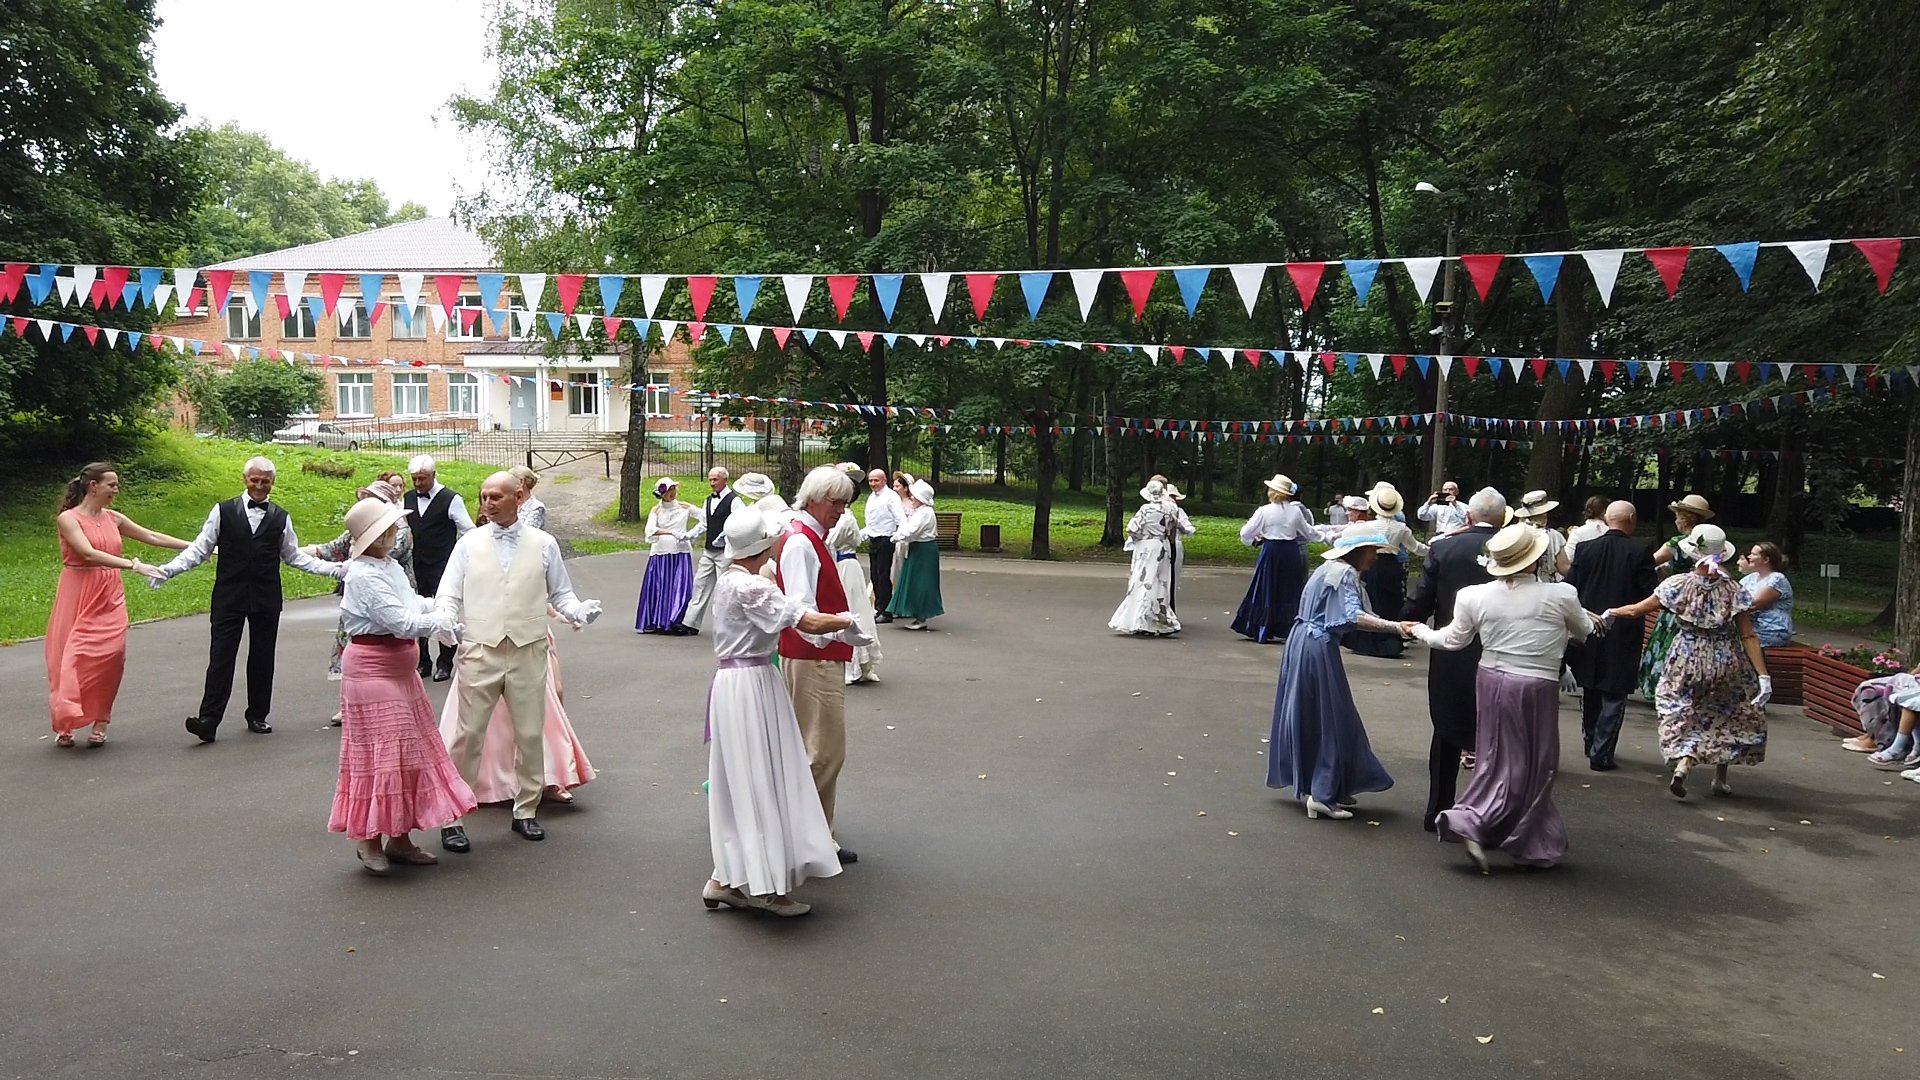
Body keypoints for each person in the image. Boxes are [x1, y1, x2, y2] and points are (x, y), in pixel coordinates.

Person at [1404, 524, 1605, 873]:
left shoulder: (1473, 595)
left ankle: (1499, 825)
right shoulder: (1560, 595)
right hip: (1535, 683)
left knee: (1494, 755)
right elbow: (1585, 632)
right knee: (1535, 761)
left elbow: (1453, 641)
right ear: (1536, 559)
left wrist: (1421, 631)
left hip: (1490, 678)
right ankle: (1482, 823)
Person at [703, 506, 862, 917]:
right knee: (763, 777)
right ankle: (770, 888)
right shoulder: (751, 588)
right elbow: (804, 620)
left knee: (740, 777)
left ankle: (726, 877)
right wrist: (847, 621)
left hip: (734, 684)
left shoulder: (730, 581)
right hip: (753, 684)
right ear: (762, 547)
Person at [435, 472, 603, 851]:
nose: (488, 503)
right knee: (467, 736)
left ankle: (525, 811)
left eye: (496, 496)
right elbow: (448, 592)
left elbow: (561, 593)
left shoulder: (544, 544)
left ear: (520, 498)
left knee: (529, 734)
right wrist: (446, 619)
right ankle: (452, 816)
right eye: (483, 497)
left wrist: (578, 612)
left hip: (527, 649)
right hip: (480, 648)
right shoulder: (469, 543)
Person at [328, 498, 475, 876]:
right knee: (380, 756)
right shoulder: (362, 574)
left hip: (399, 671)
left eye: (393, 528)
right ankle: (368, 840)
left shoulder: (388, 566)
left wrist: (441, 606)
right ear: (370, 537)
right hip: (373, 672)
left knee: (407, 755)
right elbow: (400, 622)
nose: (394, 535)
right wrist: (441, 619)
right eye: (387, 530)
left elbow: (411, 605)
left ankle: (399, 838)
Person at [155, 456, 347, 742]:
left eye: (265, 482)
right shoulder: (223, 511)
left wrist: (336, 569)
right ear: (245, 480)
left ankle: (258, 715)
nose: (259, 486)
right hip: (228, 596)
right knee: (221, 656)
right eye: (254, 480)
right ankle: (208, 719)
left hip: (266, 596)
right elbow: (199, 550)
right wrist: (168, 570)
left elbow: (293, 556)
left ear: (273, 483)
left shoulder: (281, 517)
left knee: (262, 657)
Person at [1605, 524, 1772, 799]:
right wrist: (1763, 676)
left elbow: (1637, 610)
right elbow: (1748, 635)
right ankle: (1720, 778)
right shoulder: (1733, 589)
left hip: (1687, 657)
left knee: (1681, 709)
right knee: (1726, 713)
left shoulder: (1677, 584)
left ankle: (1684, 760)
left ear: (1693, 552)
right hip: (1726, 659)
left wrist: (1611, 612)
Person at [1264, 524, 1404, 820]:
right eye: (1372, 551)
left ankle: (1327, 786)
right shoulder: (1345, 574)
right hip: (1317, 647)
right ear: (1357, 551)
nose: (1375, 557)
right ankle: (1323, 794)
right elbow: (1352, 616)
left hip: (1302, 641)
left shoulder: (1329, 568)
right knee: (1332, 718)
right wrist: (1396, 627)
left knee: (1315, 714)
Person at [46, 463, 183, 747]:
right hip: (79, 591)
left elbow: (153, 537)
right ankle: (66, 722)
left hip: (109, 595)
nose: (116, 490)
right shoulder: (68, 519)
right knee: (71, 657)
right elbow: (87, 552)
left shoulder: (114, 518)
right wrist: (133, 565)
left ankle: (100, 721)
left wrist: (199, 547)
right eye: (112, 484)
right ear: (93, 486)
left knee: (111, 657)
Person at [775, 466, 870, 863]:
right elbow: (802, 613)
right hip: (813, 657)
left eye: (846, 503)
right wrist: (843, 629)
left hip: (817, 655)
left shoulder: (810, 537)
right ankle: (802, 834)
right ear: (814, 498)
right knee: (822, 752)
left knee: (821, 750)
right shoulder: (802, 542)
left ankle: (814, 833)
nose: (841, 511)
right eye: (836, 503)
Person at [1402, 488, 1504, 830]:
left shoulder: (1444, 547)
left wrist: (1402, 622)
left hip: (1450, 652)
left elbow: (1422, 601)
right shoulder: (1516, 548)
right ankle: (1487, 812)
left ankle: (1437, 809)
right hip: (1501, 653)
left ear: (1469, 516)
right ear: (1504, 518)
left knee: (1446, 729)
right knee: (1497, 735)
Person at [308, 479, 414, 725]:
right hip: (360, 599)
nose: (366, 504)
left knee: (392, 647)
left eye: (372, 500)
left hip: (394, 595)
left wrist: (438, 619)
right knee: (355, 646)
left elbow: (380, 555)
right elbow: (330, 548)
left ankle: (392, 703)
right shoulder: (362, 529)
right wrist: (289, 550)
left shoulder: (398, 531)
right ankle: (351, 705)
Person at [1566, 500, 1657, 771]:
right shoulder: (1640, 551)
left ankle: (1590, 741)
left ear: (1607, 519)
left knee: (1591, 688)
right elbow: (1650, 594)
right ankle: (1601, 752)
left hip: (1589, 627)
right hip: (1624, 629)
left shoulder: (1585, 549)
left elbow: (1571, 588)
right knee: (1615, 693)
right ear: (1630, 518)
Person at [405, 455, 476, 682]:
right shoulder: (407, 499)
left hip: (444, 566)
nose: (417, 484)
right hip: (416, 566)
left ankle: (445, 662)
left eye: (422, 479)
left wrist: (462, 557)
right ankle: (422, 661)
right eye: (414, 479)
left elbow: (468, 529)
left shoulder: (451, 499)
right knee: (416, 612)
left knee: (446, 613)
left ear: (434, 475)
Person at [1639, 494, 1714, 698]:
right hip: (1706, 601)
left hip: (1679, 597)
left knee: (1670, 639)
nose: (1676, 521)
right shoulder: (1713, 544)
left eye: (1678, 517)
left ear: (1686, 519)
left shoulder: (1678, 543)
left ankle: (1663, 685)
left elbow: (1649, 563)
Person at [1232, 474, 1316, 644]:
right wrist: (1329, 536)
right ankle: (1287, 628)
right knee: (1288, 589)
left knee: (1266, 588)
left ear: (1272, 491)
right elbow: (1308, 533)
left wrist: (1255, 540)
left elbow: (1245, 533)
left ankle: (1262, 627)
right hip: (1290, 553)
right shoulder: (1296, 511)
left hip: (1271, 551)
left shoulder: (1264, 511)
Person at [1343, 485, 1425, 658]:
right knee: (1391, 602)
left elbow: (1350, 537)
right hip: (1391, 566)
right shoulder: (1401, 528)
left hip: (1371, 564)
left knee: (1369, 600)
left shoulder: (1369, 526)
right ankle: (1388, 640)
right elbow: (1416, 548)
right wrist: (1437, 548)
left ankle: (1365, 641)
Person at [1109, 478, 1182, 636]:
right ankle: (1159, 618)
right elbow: (1174, 527)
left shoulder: (1145, 509)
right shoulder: (1169, 509)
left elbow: (1132, 529)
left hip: (1146, 547)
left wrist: (1138, 539)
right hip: (1162, 547)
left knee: (1142, 581)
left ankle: (1139, 619)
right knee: (1160, 583)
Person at [636, 478, 703, 635]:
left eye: (673, 489)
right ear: (661, 494)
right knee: (661, 585)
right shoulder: (656, 510)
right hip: (660, 552)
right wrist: (671, 532)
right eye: (668, 491)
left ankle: (677, 620)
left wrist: (690, 534)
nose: (672, 494)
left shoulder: (684, 507)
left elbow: (705, 518)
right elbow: (650, 530)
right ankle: (658, 620)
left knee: (679, 586)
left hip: (680, 550)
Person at [827, 509, 882, 684]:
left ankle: (859, 664)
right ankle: (859, 663)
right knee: (852, 605)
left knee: (854, 606)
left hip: (845, 566)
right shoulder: (844, 518)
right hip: (846, 564)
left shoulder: (846, 519)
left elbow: (830, 541)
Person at [682, 466, 737, 632]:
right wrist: (686, 535)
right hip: (709, 550)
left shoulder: (734, 501)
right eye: (710, 480)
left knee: (724, 589)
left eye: (715, 480)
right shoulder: (708, 500)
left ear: (725, 480)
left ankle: (725, 625)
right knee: (700, 583)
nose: (712, 483)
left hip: (725, 552)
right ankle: (690, 623)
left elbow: (739, 525)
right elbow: (704, 524)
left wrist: (727, 540)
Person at [885, 478, 944, 630]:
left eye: (914, 496)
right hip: (918, 548)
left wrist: (895, 537)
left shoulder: (925, 513)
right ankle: (917, 615)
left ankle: (921, 617)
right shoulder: (921, 512)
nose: (911, 498)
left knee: (922, 583)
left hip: (924, 550)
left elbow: (912, 530)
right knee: (914, 581)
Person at [860, 468, 903, 623]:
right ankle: (878, 608)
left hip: (886, 539)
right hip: (874, 538)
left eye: (876, 480)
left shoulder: (891, 497)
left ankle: (886, 611)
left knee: (883, 575)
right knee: (874, 575)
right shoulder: (871, 497)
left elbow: (900, 519)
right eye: (870, 480)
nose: (873, 483)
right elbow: (871, 522)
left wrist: (896, 537)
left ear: (884, 480)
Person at [1737, 542, 1795, 648]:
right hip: (1750, 628)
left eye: (1754, 554)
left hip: (1771, 630)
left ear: (1766, 560)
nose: (1749, 557)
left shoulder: (1777, 579)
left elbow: (1753, 604)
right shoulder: (1750, 578)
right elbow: (1734, 597)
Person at [1511, 490, 1570, 581]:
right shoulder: (1554, 536)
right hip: (1546, 587)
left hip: (1517, 585)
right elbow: (1564, 568)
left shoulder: (1513, 532)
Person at [1164, 484, 1196, 611]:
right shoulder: (1154, 510)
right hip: (1161, 545)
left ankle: (1169, 607)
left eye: (1173, 496)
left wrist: (1179, 525)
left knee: (1173, 577)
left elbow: (1190, 529)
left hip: (1175, 545)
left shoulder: (1179, 511)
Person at [509, 466, 547, 531]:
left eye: (510, 482)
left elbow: (527, 533)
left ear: (521, 482)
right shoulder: (509, 503)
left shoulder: (536, 507)